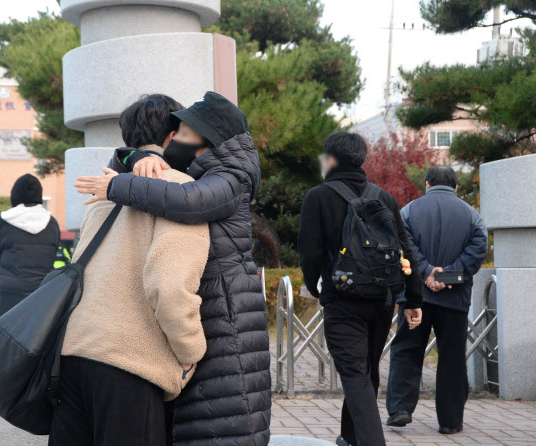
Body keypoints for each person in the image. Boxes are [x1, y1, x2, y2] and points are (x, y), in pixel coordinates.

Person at [75, 91, 271, 446]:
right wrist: (136, 160)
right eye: (175, 128)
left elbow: (188, 200)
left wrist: (124, 175)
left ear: (208, 135)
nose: (178, 134)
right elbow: (169, 285)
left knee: (227, 417)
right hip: (178, 334)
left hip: (224, 315)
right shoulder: (159, 181)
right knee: (211, 420)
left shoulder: (224, 178)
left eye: (186, 129)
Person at [50, 94, 210, 446]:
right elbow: (169, 286)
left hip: (74, 354)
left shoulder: (105, 192)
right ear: (173, 136)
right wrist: (191, 352)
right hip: (129, 363)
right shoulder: (180, 191)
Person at [298, 131, 423, 446]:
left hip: (342, 301)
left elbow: (309, 253)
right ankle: (350, 438)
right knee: (365, 374)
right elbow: (405, 252)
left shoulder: (318, 197)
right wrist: (413, 298)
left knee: (355, 376)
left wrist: (314, 286)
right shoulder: (384, 198)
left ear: (333, 160)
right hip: (382, 300)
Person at [386, 166, 488, 435]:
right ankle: (451, 421)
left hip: (415, 297)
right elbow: (478, 250)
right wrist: (448, 276)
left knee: (407, 350)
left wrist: (428, 272)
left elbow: (402, 246)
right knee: (452, 358)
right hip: (454, 299)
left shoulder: (409, 210)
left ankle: (400, 409)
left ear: (427, 184)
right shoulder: (472, 215)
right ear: (456, 187)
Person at [0, 174, 60, 316]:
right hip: (42, 287)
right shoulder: (51, 222)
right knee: (37, 331)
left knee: (10, 330)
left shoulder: (4, 220)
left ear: (14, 195)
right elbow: (54, 249)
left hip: (10, 287)